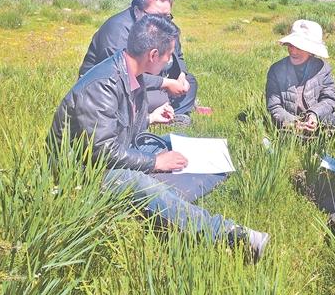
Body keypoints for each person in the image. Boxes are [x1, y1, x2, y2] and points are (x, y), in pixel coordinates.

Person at [49, 15, 269, 260]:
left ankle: (164, 200)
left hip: (115, 151)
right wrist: (156, 162)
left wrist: (150, 118)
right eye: (168, 55)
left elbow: (118, 127)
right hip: (84, 170)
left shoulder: (131, 70)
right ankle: (228, 234)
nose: (169, 62)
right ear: (153, 55)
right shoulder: (102, 86)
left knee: (175, 143)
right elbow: (102, 150)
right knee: (136, 181)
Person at [79, 0, 197, 126]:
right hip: (110, 86)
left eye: (167, 17)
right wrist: (165, 83)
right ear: (137, 10)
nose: (163, 21)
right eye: (157, 16)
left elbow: (178, 55)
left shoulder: (164, 27)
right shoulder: (117, 31)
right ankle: (153, 114)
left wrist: (181, 75)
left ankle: (175, 114)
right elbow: (121, 75)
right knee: (156, 97)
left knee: (190, 83)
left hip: (150, 77)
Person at [265, 19, 335, 133]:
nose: (293, 51)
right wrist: (294, 123)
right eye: (290, 46)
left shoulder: (323, 69)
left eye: (299, 47)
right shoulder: (276, 70)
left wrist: (314, 115)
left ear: (310, 50)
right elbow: (274, 106)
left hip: (319, 124)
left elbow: (329, 99)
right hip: (287, 129)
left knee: (333, 123)